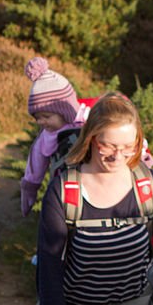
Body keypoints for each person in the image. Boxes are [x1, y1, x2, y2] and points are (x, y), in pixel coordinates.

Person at [37, 92, 153, 305]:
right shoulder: (64, 190)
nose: (118, 156)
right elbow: (47, 276)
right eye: (108, 145)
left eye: (128, 147)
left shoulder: (150, 187)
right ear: (90, 138)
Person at [20, 56, 90, 216]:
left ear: (63, 111)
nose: (41, 122)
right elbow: (34, 167)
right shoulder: (46, 137)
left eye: (46, 116)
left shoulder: (89, 119)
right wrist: (29, 192)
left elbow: (119, 135)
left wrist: (141, 155)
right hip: (67, 193)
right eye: (37, 117)